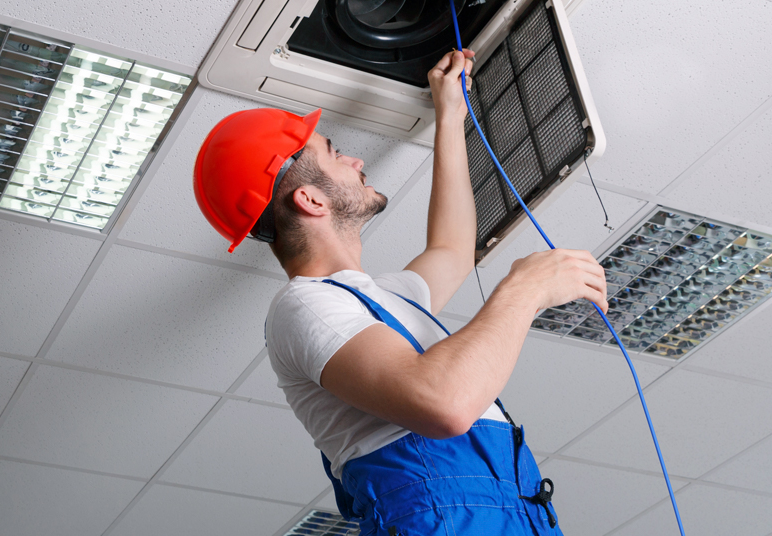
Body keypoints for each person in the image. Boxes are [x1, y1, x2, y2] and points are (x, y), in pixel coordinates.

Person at [192, 50, 608, 535]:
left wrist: (450, 118)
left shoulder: (386, 298)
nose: (357, 159)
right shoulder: (304, 305)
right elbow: (444, 404)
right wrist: (524, 289)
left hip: (506, 512)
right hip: (444, 518)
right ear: (309, 199)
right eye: (334, 152)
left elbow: (452, 249)